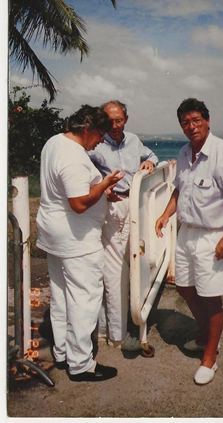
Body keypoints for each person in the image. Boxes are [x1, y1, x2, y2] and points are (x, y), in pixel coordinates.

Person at [155, 98, 223, 385]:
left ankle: (210, 357)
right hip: (186, 234)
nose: (191, 126)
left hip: (213, 236)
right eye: (186, 122)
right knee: (184, 288)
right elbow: (177, 191)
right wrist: (164, 215)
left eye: (196, 120)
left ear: (207, 121)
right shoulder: (184, 153)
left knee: (211, 298)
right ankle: (207, 335)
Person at [36, 105, 124, 382]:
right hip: (76, 238)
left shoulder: (54, 142)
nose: (100, 141)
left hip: (53, 232)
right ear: (86, 130)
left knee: (62, 295)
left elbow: (68, 192)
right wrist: (105, 183)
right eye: (99, 134)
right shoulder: (73, 156)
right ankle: (81, 364)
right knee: (85, 298)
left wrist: (99, 191)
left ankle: (63, 353)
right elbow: (78, 203)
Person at [88, 100, 159, 350]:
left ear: (126, 119)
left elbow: (150, 155)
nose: (115, 126)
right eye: (110, 121)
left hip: (133, 204)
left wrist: (149, 163)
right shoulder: (96, 145)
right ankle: (115, 335)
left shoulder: (134, 140)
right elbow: (83, 173)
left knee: (130, 265)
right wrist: (100, 186)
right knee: (114, 270)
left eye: (119, 120)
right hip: (112, 206)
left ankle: (110, 329)